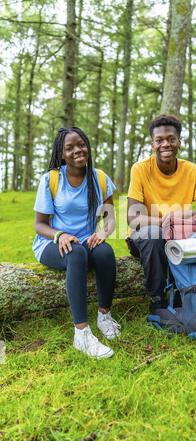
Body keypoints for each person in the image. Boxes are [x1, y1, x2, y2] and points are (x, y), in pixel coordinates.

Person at [33, 127, 120, 359]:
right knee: (76, 253)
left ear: (88, 146)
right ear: (61, 154)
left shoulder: (99, 178)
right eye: (69, 148)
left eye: (81, 145)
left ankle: (104, 316)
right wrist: (59, 235)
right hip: (51, 243)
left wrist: (103, 232)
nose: (77, 150)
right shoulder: (51, 179)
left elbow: (109, 216)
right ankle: (81, 333)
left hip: (85, 241)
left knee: (105, 253)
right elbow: (40, 224)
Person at [127, 114, 196, 312]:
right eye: (159, 140)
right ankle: (157, 299)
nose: (165, 144)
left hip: (179, 233)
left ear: (179, 142)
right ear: (153, 144)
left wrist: (180, 216)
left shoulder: (190, 169)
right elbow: (133, 218)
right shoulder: (140, 169)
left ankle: (195, 289)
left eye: (171, 139)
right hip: (147, 237)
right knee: (153, 234)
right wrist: (164, 222)